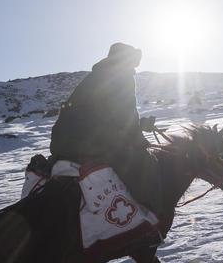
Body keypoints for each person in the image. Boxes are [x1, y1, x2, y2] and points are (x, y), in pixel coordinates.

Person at [49, 43, 161, 213]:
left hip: (63, 142)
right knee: (145, 164)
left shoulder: (99, 74)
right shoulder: (121, 75)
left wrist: (140, 125)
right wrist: (141, 142)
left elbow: (107, 115)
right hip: (87, 143)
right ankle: (146, 213)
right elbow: (124, 115)